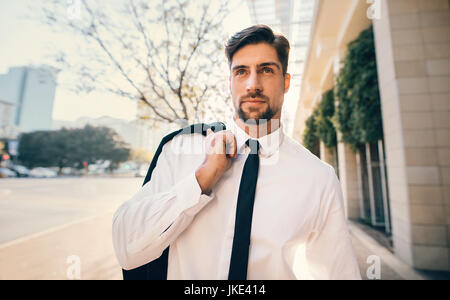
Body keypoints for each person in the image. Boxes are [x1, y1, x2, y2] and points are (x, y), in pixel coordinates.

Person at [112, 25, 361, 280]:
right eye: (241, 72)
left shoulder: (318, 178)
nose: (253, 84)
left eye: (266, 70)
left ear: (286, 82)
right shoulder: (180, 150)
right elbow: (127, 249)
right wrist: (201, 179)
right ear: (230, 83)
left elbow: (338, 273)